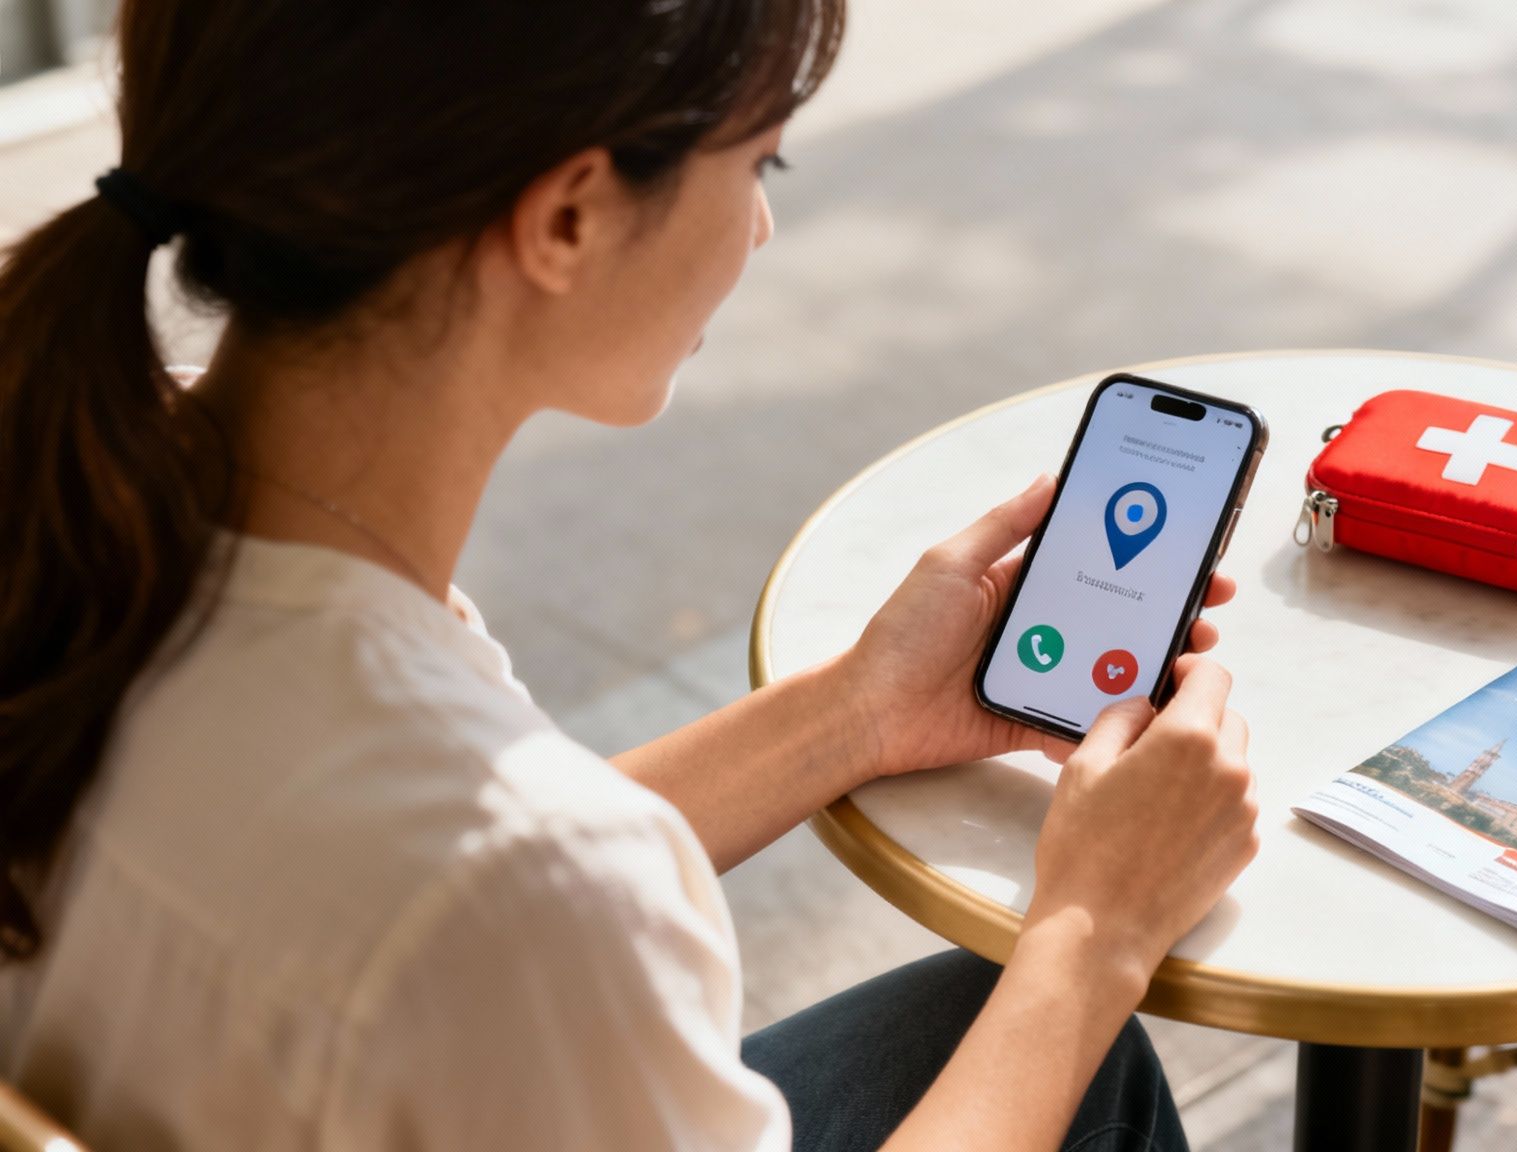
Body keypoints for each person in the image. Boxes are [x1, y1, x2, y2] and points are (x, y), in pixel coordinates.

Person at [0, 2, 1260, 1150]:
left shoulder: (77, 487)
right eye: (758, 164)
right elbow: (499, 898)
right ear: (569, 217)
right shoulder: (524, 892)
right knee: (1076, 1050)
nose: (760, 225)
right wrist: (1094, 936)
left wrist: (860, 710)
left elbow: (441, 895)